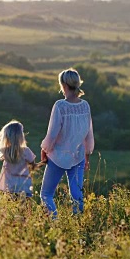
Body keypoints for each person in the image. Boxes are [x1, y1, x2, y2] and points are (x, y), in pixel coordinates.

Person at [40, 68, 95, 217]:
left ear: (63, 85)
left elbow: (52, 134)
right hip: (78, 157)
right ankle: (79, 224)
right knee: (77, 195)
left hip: (57, 157)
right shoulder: (85, 106)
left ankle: (54, 223)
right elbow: (88, 135)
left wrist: (44, 150)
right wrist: (87, 156)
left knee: (46, 194)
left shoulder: (60, 106)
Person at [0, 120, 38, 197]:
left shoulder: (4, 151)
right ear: (21, 136)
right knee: (25, 207)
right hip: (24, 186)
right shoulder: (26, 151)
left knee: (11, 207)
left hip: (9, 187)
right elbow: (33, 166)